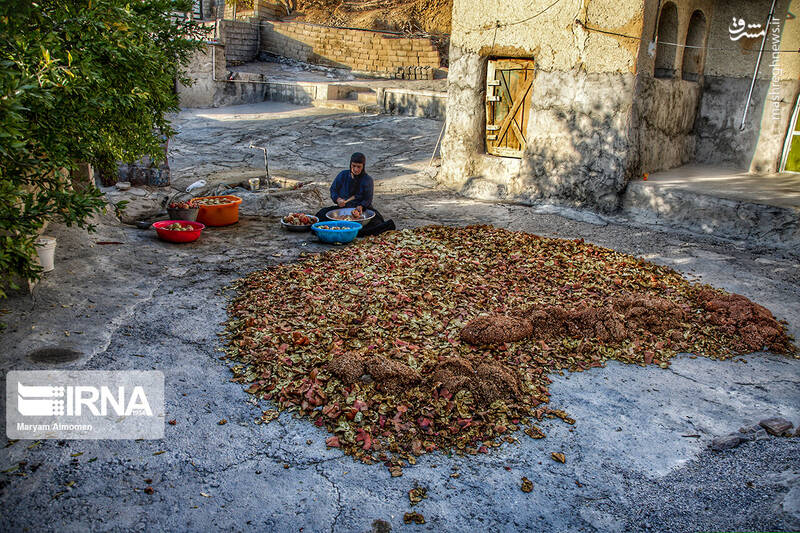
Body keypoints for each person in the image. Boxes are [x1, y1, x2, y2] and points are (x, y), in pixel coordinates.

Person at [315, 153, 396, 237]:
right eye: (353, 166)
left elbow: (368, 199)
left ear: (363, 166)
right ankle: (354, 231)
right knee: (321, 214)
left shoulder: (367, 180)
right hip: (343, 209)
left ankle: (349, 231)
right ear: (350, 164)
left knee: (377, 222)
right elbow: (333, 190)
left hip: (362, 211)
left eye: (359, 167)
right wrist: (338, 199)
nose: (355, 169)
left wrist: (361, 206)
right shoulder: (342, 175)